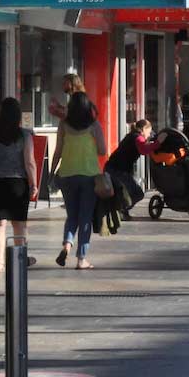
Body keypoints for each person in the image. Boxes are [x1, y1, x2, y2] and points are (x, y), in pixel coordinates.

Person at [0, 97, 39, 273]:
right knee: (19, 224)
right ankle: (20, 258)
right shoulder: (24, 135)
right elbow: (29, 162)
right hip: (18, 184)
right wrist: (34, 183)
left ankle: (0, 262)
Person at [53, 91, 107, 270]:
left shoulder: (63, 125)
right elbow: (102, 150)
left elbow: (58, 151)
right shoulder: (94, 126)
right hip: (89, 176)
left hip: (67, 175)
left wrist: (52, 171)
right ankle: (81, 258)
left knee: (72, 215)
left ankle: (67, 245)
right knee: (85, 218)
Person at [104, 120, 159, 214]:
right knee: (137, 194)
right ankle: (121, 211)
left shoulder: (132, 135)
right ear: (143, 129)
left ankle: (119, 210)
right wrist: (158, 142)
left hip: (112, 167)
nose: (149, 135)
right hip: (118, 170)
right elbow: (144, 150)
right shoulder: (137, 137)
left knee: (123, 193)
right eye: (149, 132)